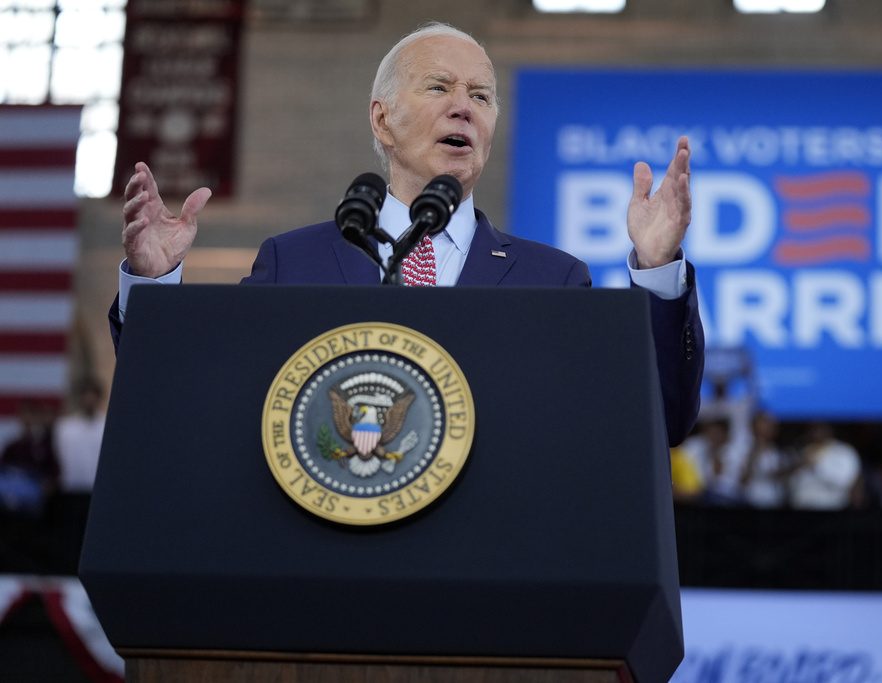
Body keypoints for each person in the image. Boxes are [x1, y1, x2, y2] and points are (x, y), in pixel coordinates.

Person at [110, 21, 704, 445]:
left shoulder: (552, 278)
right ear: (382, 118)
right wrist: (155, 286)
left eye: (481, 96)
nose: (464, 108)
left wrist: (656, 270)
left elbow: (658, 422)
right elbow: (196, 404)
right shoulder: (293, 261)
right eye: (439, 87)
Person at [54, 377, 106, 494]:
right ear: (80, 398)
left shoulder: (106, 426)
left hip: (98, 490)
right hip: (71, 490)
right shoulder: (65, 427)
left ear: (99, 398)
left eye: (93, 395)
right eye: (86, 395)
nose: (89, 400)